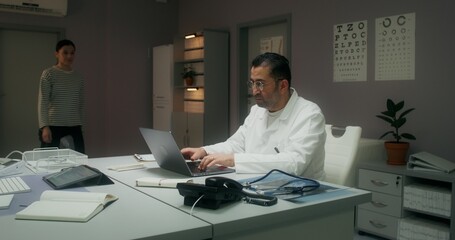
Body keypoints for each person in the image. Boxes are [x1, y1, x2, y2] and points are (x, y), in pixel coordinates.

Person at [181, 52, 326, 179]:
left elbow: (294, 163)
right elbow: (236, 144)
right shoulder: (257, 110)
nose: (255, 90)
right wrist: (205, 151)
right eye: (252, 83)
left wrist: (234, 160)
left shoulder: (309, 114)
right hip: (260, 184)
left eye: (260, 84)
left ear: (283, 85)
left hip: (303, 192)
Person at [37, 39, 85, 154]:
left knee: (79, 163)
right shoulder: (48, 74)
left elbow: (81, 103)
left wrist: (81, 126)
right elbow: (42, 101)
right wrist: (44, 127)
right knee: (49, 163)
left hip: (75, 127)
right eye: (65, 52)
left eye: (72, 53)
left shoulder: (79, 77)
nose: (69, 56)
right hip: (53, 126)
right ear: (57, 54)